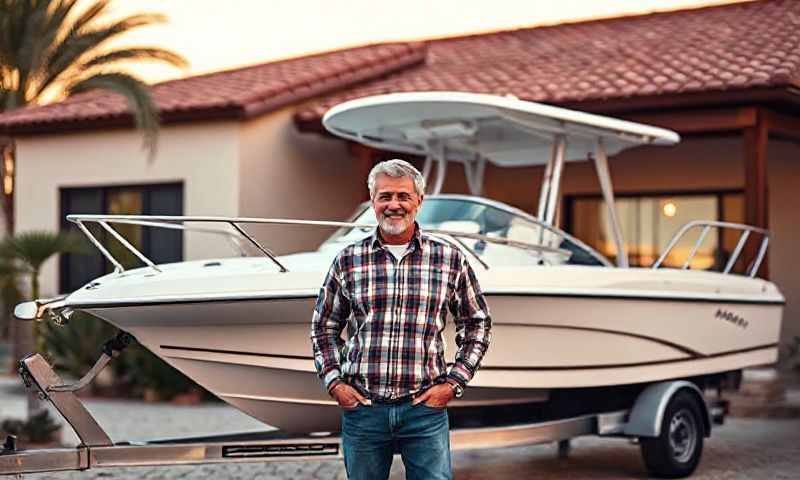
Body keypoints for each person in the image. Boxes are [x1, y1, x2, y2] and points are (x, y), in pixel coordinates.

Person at [310, 159, 492, 480]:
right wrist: (334, 382)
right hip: (363, 410)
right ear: (373, 202)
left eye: (403, 196)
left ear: (419, 202)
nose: (394, 205)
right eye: (385, 196)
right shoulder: (348, 260)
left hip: (425, 410)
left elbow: (476, 322)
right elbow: (323, 327)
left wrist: (453, 383)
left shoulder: (449, 259)